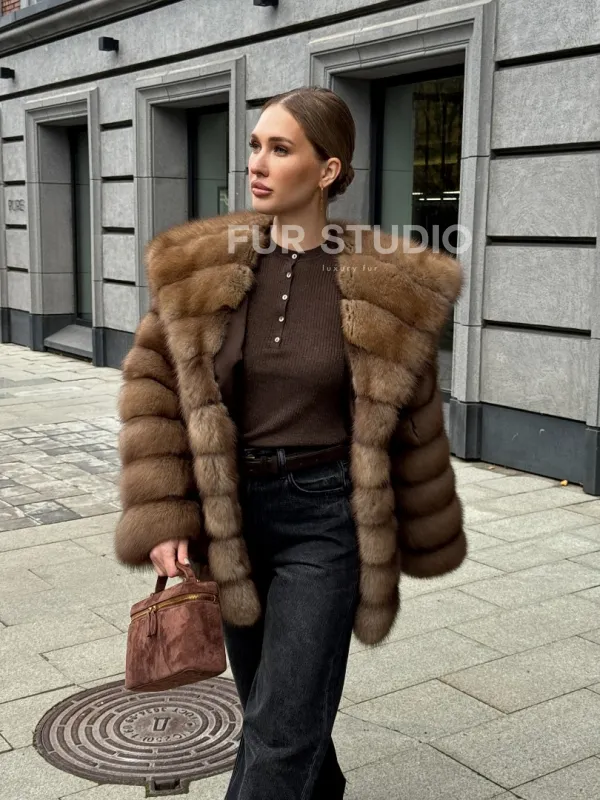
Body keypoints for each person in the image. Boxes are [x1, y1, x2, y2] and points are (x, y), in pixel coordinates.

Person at [114, 86, 466, 800]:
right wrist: (164, 513)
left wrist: (416, 522)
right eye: (255, 145)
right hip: (229, 517)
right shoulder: (198, 266)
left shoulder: (388, 282)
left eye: (280, 148)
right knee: (270, 706)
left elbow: (412, 415)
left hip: (325, 518)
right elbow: (155, 387)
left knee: (280, 731)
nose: (257, 163)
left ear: (328, 170)